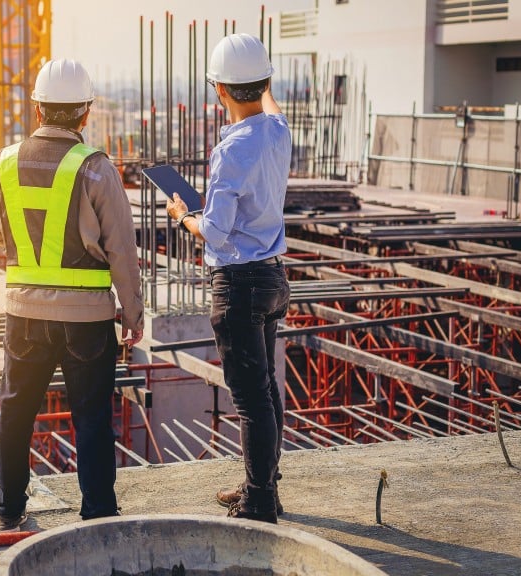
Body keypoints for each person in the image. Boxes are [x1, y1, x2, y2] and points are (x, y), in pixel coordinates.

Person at [0, 59, 144, 530]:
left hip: (24, 314)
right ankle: (97, 513)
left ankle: (9, 508)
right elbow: (122, 251)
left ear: (37, 109)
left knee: (15, 410)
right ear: (85, 113)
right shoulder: (95, 169)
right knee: (91, 418)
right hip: (87, 320)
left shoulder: (5, 161)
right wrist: (132, 314)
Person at [165, 33, 292, 524]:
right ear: (263, 83)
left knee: (251, 398)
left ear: (218, 90)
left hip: (238, 284)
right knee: (265, 390)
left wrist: (181, 214)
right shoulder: (278, 132)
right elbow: (272, 108)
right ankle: (263, 486)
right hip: (272, 278)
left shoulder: (232, 149)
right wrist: (262, 81)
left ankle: (259, 501)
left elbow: (215, 235)